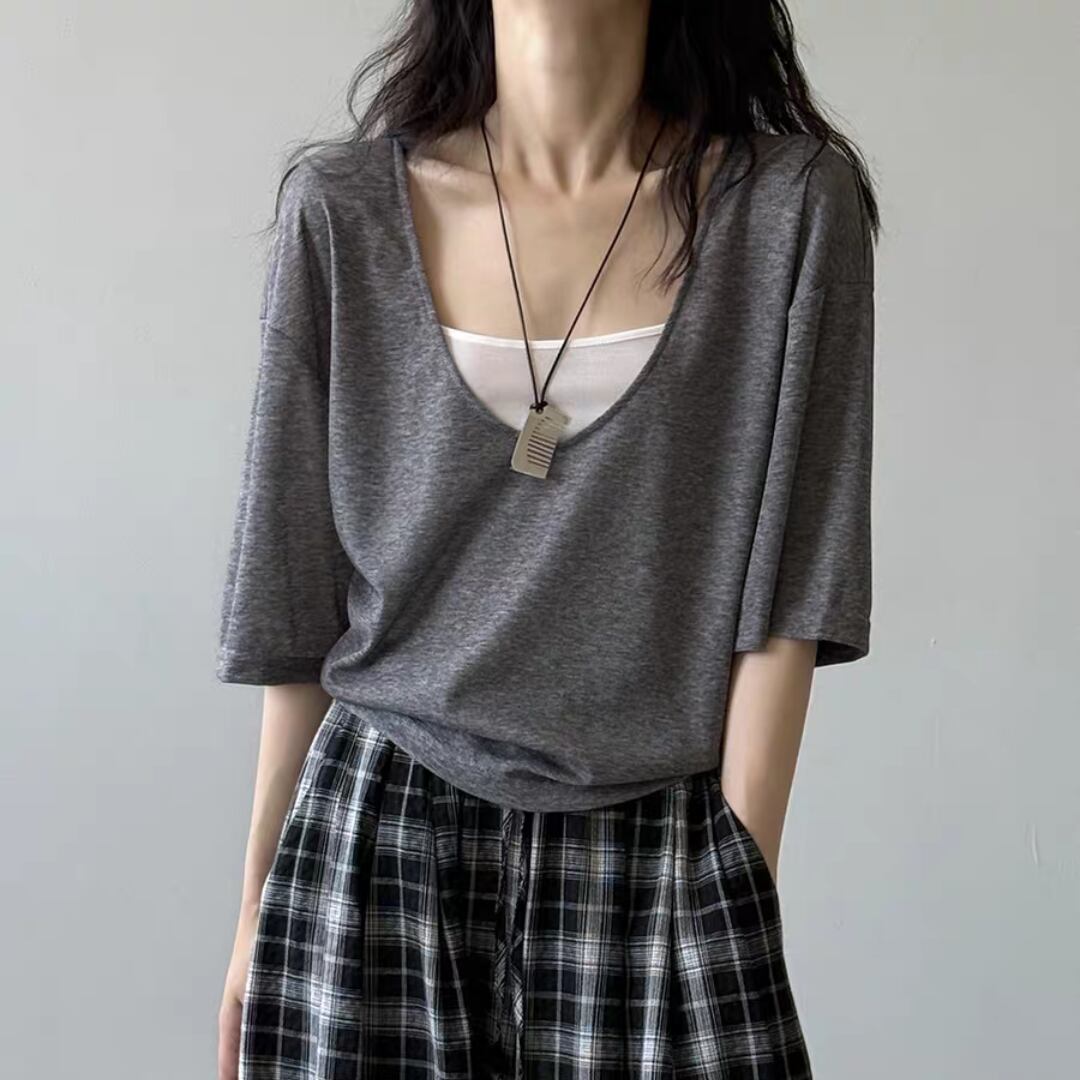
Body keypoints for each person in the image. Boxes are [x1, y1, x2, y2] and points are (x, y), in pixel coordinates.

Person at [215, 2, 879, 1077]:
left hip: (663, 841)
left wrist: (736, 885)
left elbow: (792, 590)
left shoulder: (791, 208)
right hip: (375, 834)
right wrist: (256, 912)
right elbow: (293, 599)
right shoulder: (341, 209)